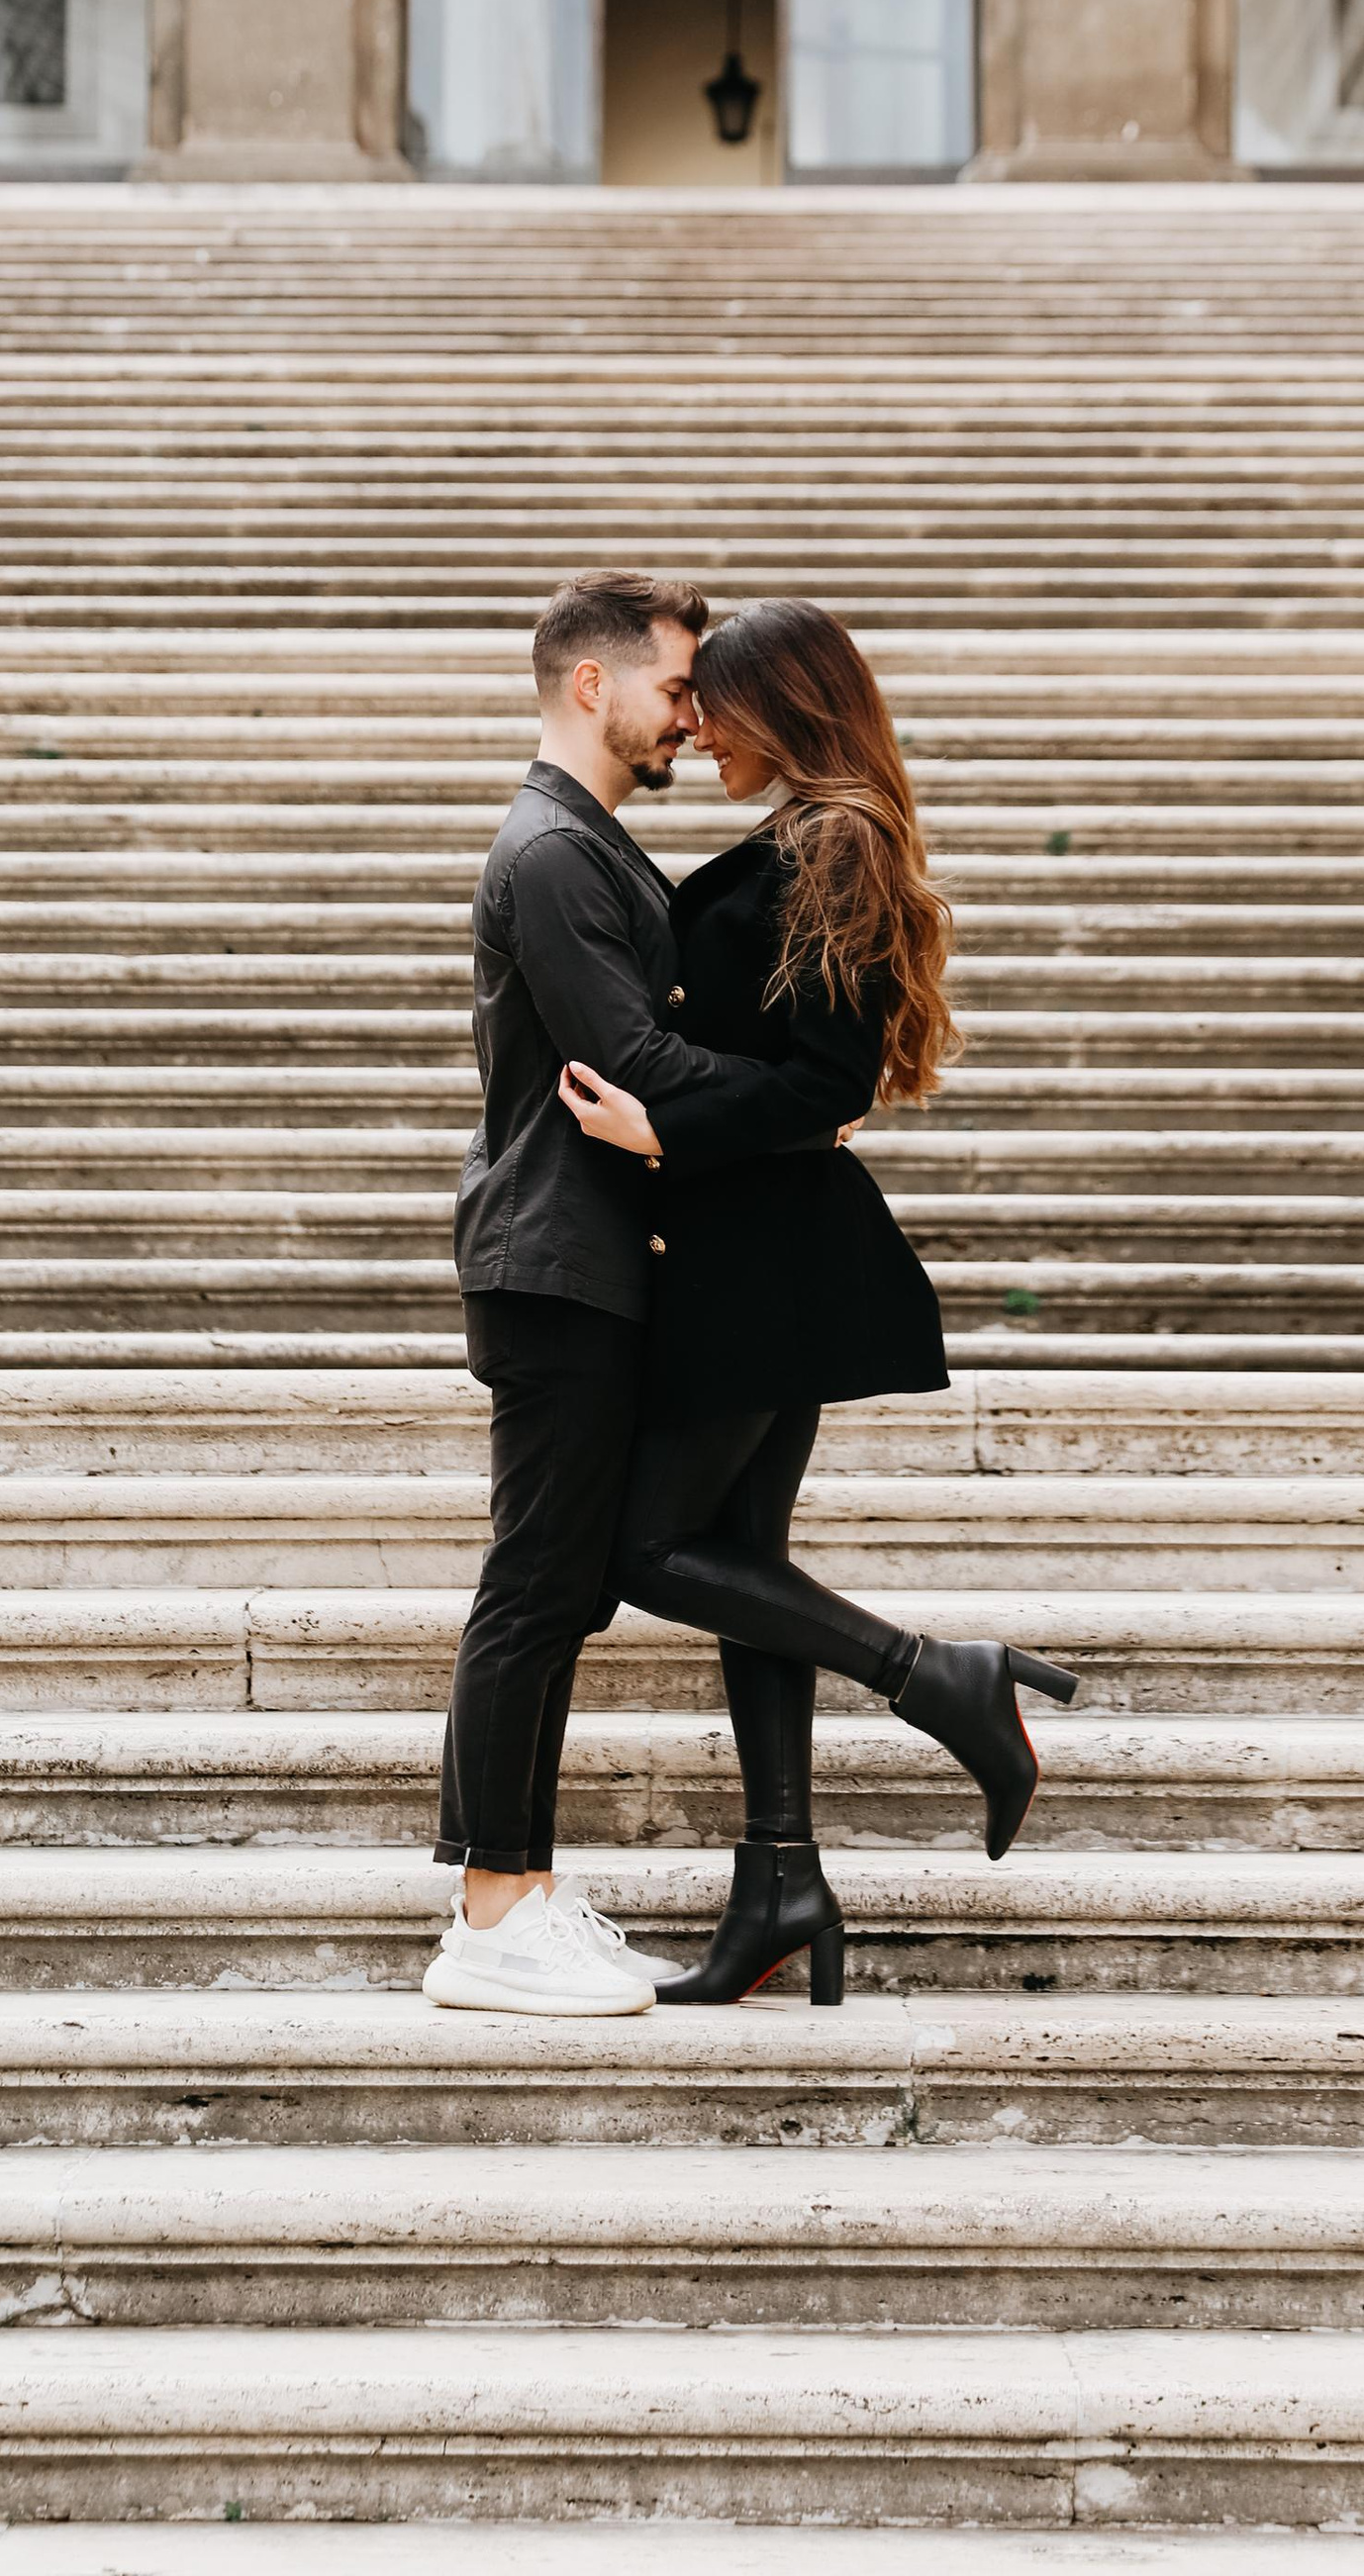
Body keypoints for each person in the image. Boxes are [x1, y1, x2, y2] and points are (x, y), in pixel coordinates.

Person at [556, 598, 1077, 2008]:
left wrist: (667, 1129)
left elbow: (828, 1082)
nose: (697, 728)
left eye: (716, 706)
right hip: (756, 1244)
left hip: (766, 1254)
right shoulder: (809, 837)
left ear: (783, 707)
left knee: (645, 1553)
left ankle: (941, 1678)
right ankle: (781, 1878)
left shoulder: (832, 843)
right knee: (742, 1567)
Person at [424, 568, 840, 2020]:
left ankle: (519, 1889)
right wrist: (799, 1105)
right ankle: (490, 1913)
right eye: (674, 688)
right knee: (535, 1586)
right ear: (589, 686)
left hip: (601, 1262)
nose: (691, 716)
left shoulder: (592, 848)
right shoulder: (551, 854)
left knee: (557, 1592)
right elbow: (630, 1067)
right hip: (557, 1262)